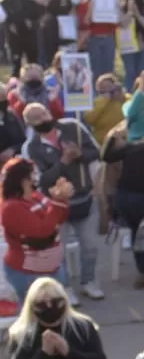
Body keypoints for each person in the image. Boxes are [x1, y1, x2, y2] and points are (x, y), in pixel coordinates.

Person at [21, 104, 102, 300]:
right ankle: (64, 288)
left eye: (44, 113)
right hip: (56, 207)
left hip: (84, 199)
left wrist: (80, 155)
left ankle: (88, 281)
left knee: (90, 245)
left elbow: (97, 151)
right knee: (59, 251)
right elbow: (42, 179)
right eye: (37, 118)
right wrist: (64, 161)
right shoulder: (31, 148)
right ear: (30, 124)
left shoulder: (73, 127)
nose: (43, 118)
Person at [103, 119, 144, 287]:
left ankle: (143, 269)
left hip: (124, 199)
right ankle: (143, 269)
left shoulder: (133, 148)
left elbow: (106, 156)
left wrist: (112, 139)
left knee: (137, 231)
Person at [1, 156, 75, 303]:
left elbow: (58, 219)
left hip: (53, 268)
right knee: (38, 318)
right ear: (22, 180)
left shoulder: (37, 196)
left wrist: (61, 198)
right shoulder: (11, 207)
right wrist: (56, 202)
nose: (36, 176)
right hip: (27, 273)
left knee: (55, 314)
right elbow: (41, 232)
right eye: (32, 174)